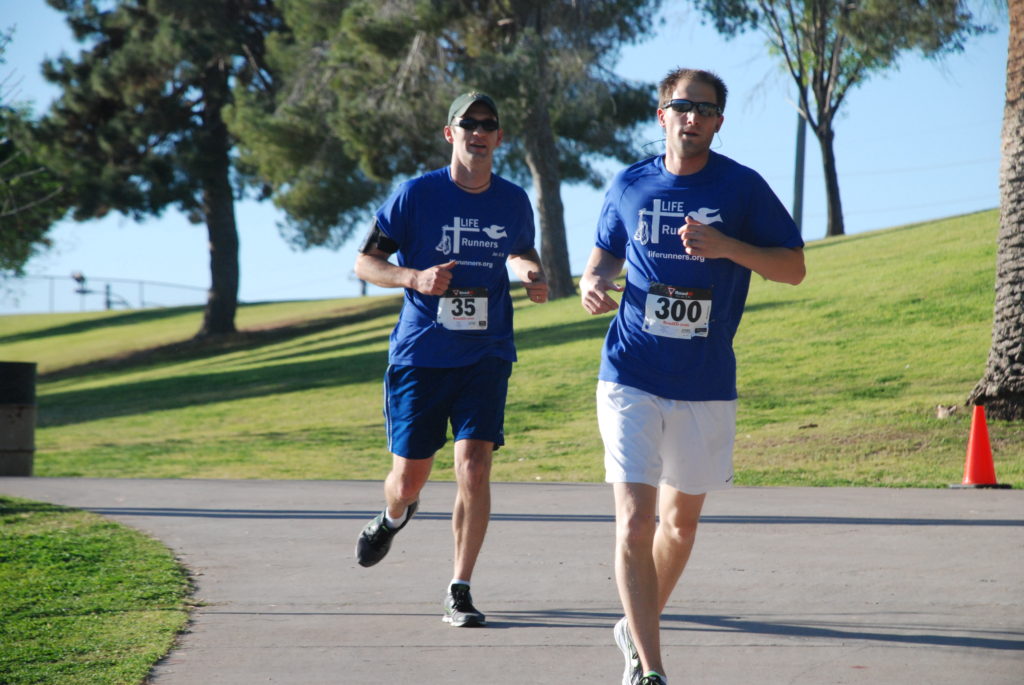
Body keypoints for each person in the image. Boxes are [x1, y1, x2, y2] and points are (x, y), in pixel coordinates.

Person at [579, 68, 805, 685]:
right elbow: (603, 249)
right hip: (629, 370)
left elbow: (793, 269)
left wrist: (727, 246)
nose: (692, 119)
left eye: (705, 111)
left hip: (705, 379)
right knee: (633, 518)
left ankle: (634, 625)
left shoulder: (742, 188)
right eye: (682, 107)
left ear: (718, 122)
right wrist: (592, 280)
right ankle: (650, 668)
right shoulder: (630, 183)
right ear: (662, 115)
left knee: (679, 525)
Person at [353, 92, 548, 628]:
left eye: (489, 124)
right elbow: (365, 261)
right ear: (450, 132)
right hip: (422, 354)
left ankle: (459, 587)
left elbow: (520, 248)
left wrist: (530, 272)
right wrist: (413, 278)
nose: (479, 132)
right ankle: (393, 517)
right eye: (469, 124)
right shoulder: (416, 196)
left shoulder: (511, 200)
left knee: (475, 467)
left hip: (485, 351)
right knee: (410, 479)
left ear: (499, 137)